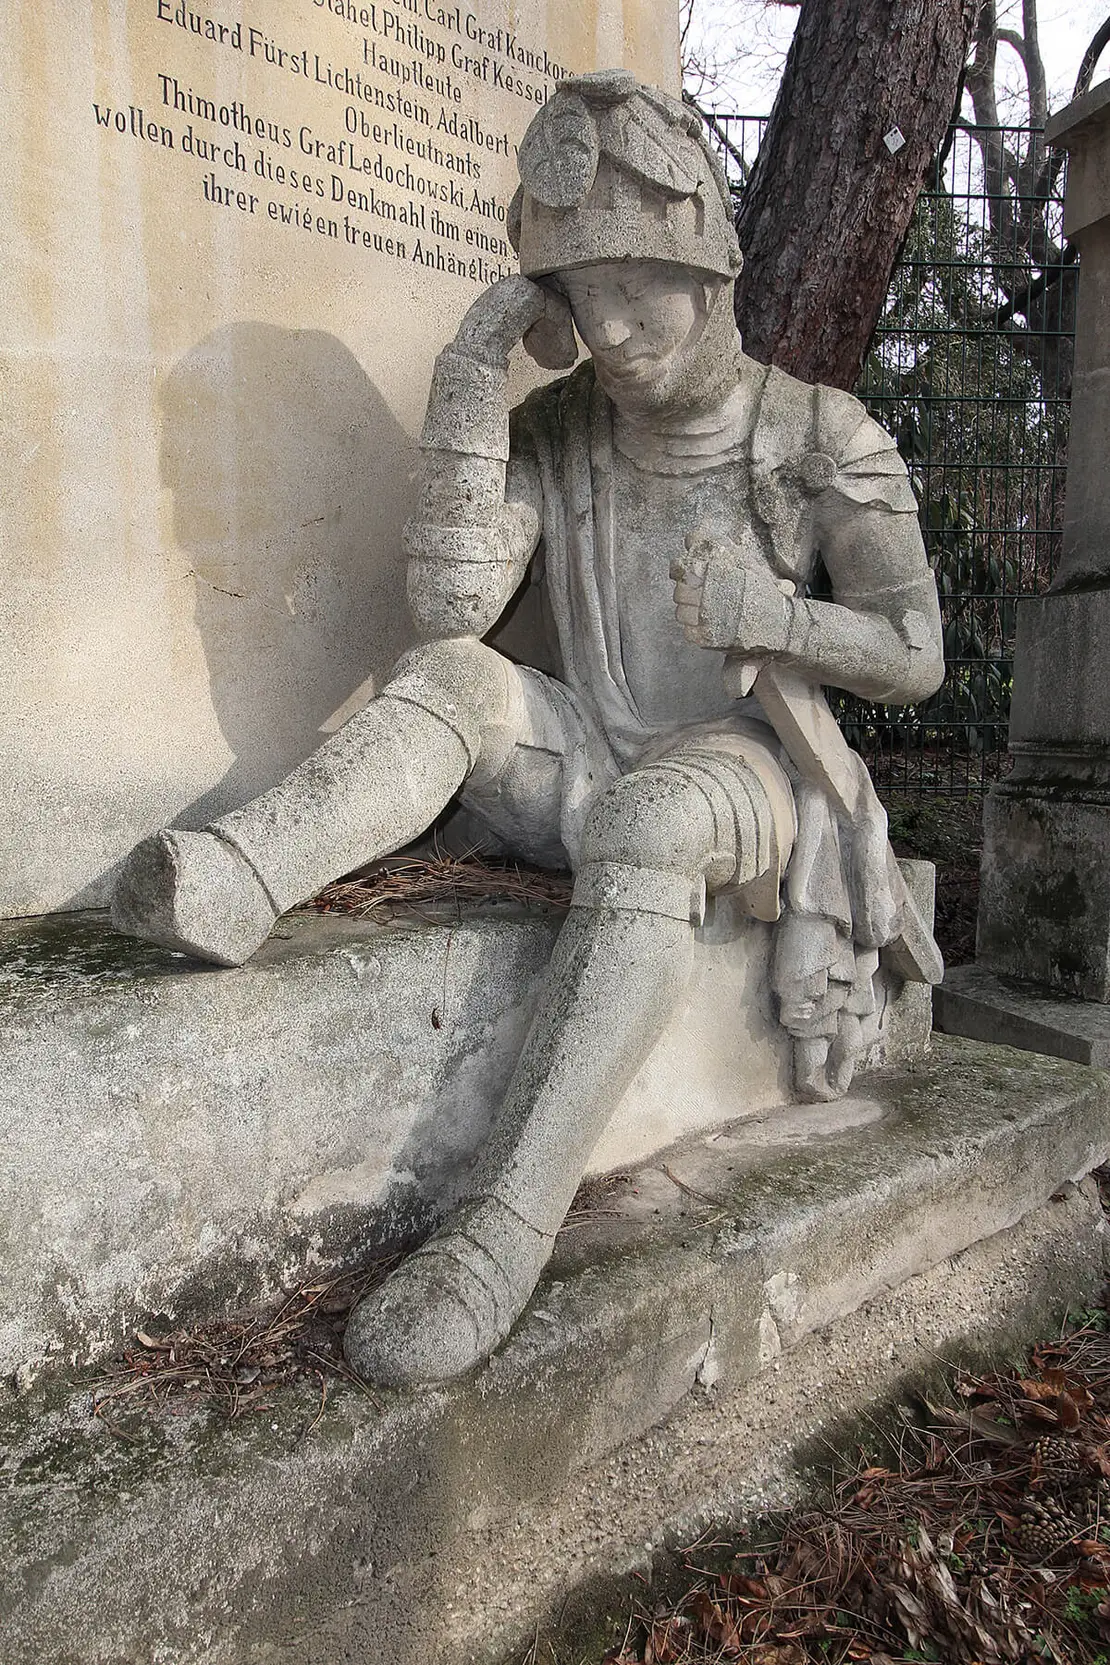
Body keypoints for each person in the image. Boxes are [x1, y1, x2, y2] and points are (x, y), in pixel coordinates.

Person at [113, 72, 944, 1386]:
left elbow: (914, 656)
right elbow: (451, 603)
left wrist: (778, 612)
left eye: (637, 288)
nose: (609, 330)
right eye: (579, 296)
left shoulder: (818, 437)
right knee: (450, 674)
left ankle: (502, 1224)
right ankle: (240, 877)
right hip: (581, 750)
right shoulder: (557, 430)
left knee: (654, 815)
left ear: (710, 272)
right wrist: (467, 368)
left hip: (741, 774)